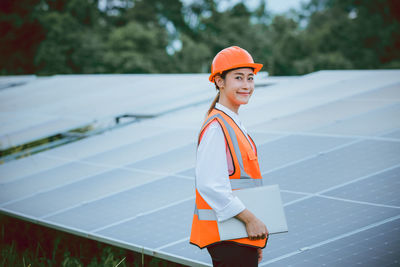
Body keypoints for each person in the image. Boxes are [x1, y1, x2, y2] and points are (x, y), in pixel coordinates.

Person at [190, 46, 269, 267]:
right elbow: (210, 185)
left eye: (250, 78)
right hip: (228, 235)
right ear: (219, 81)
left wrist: (253, 241)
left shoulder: (232, 122)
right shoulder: (217, 126)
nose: (247, 85)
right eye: (238, 78)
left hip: (238, 235)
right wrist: (251, 220)